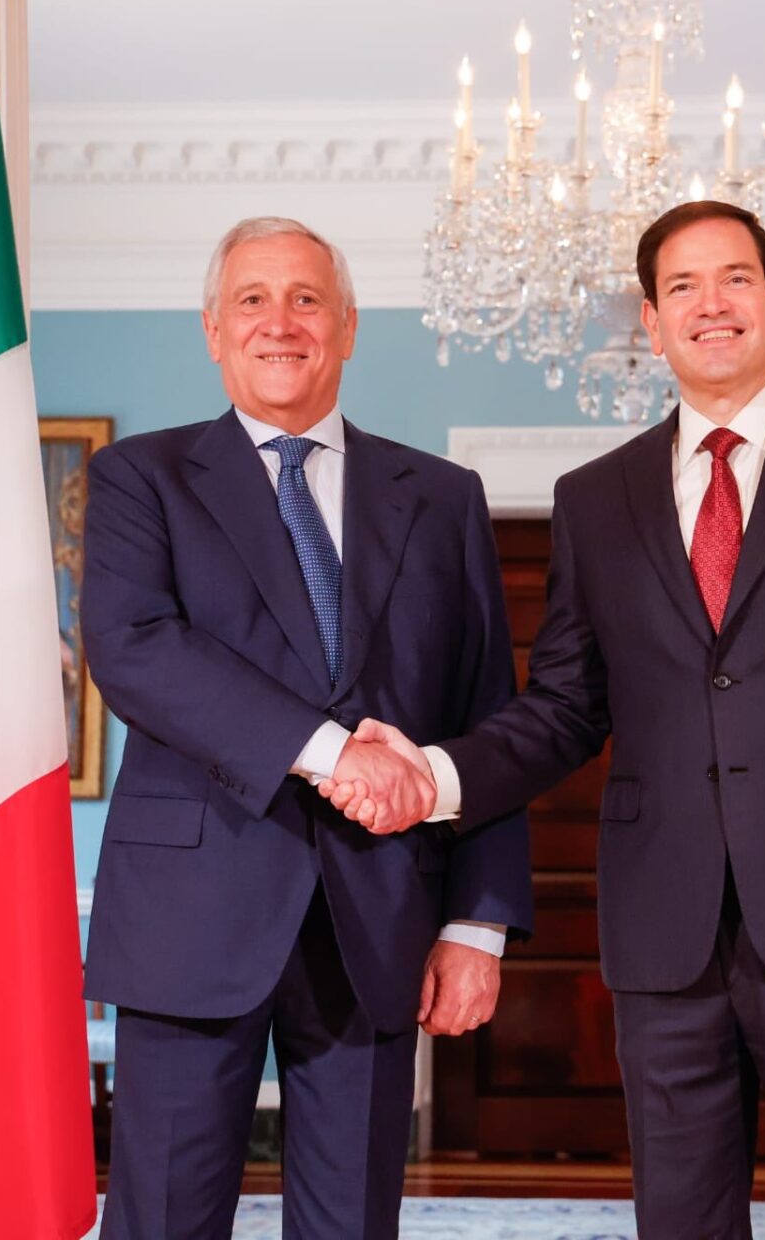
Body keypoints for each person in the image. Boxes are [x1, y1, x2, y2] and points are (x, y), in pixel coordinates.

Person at [327, 201, 765, 1239]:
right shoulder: (595, 499)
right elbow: (564, 708)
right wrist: (433, 772)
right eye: (683, 286)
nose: (711, 304)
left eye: (735, 278)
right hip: (663, 931)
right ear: (650, 322)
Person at [81, 216, 532, 1238]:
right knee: (162, 1220)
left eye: (306, 299)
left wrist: (477, 922)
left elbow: (486, 713)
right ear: (213, 329)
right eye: (252, 300)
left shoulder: (443, 497)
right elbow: (139, 650)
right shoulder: (141, 479)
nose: (279, 322)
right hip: (191, 914)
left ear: (349, 326)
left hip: (381, 914)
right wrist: (337, 756)